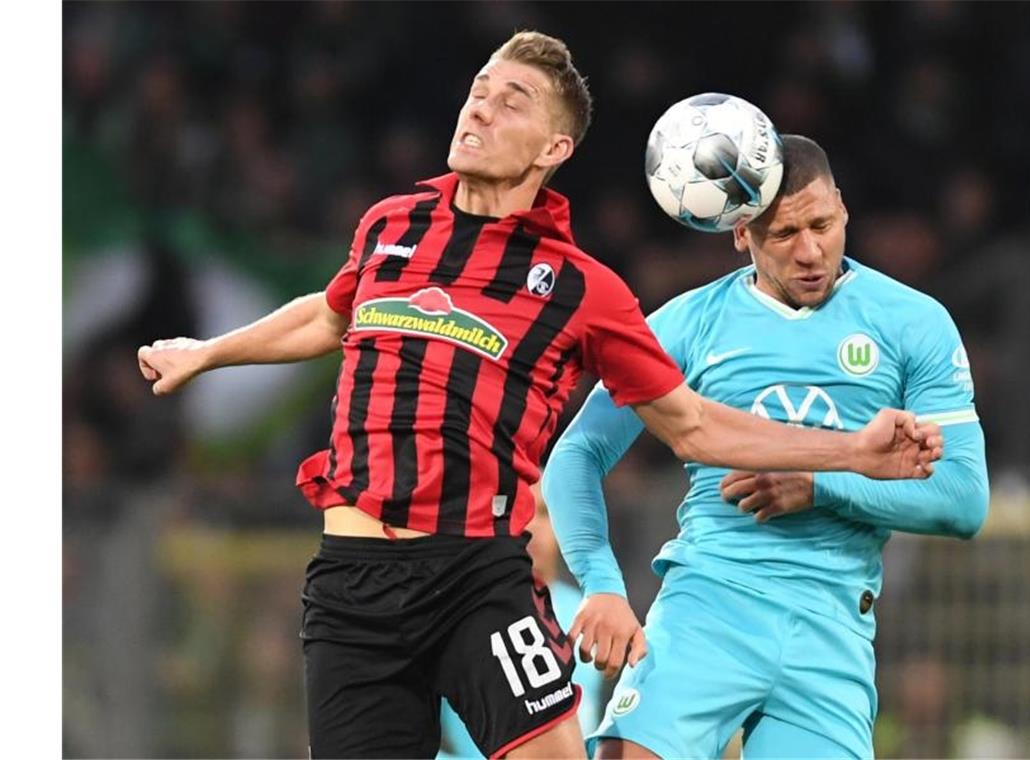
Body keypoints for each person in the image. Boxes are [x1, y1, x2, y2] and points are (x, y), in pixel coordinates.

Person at [137, 31, 940, 759]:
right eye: (479, 89)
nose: (480, 105)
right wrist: (208, 354)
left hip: (474, 579)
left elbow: (691, 425)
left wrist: (853, 451)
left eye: (510, 99)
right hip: (350, 582)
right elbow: (329, 312)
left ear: (554, 146)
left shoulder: (584, 289)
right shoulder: (391, 225)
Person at [542, 135, 988, 759]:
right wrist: (601, 583)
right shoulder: (688, 323)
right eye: (783, 234)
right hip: (709, 602)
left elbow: (964, 500)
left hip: (830, 627)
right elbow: (577, 454)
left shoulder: (912, 321)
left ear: (844, 210)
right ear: (740, 233)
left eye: (822, 224)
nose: (810, 252)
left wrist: (817, 486)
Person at [438, 486, 604, 759]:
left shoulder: (590, 612)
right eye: (516, 513)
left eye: (543, 512)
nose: (531, 525)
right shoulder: (461, 610)